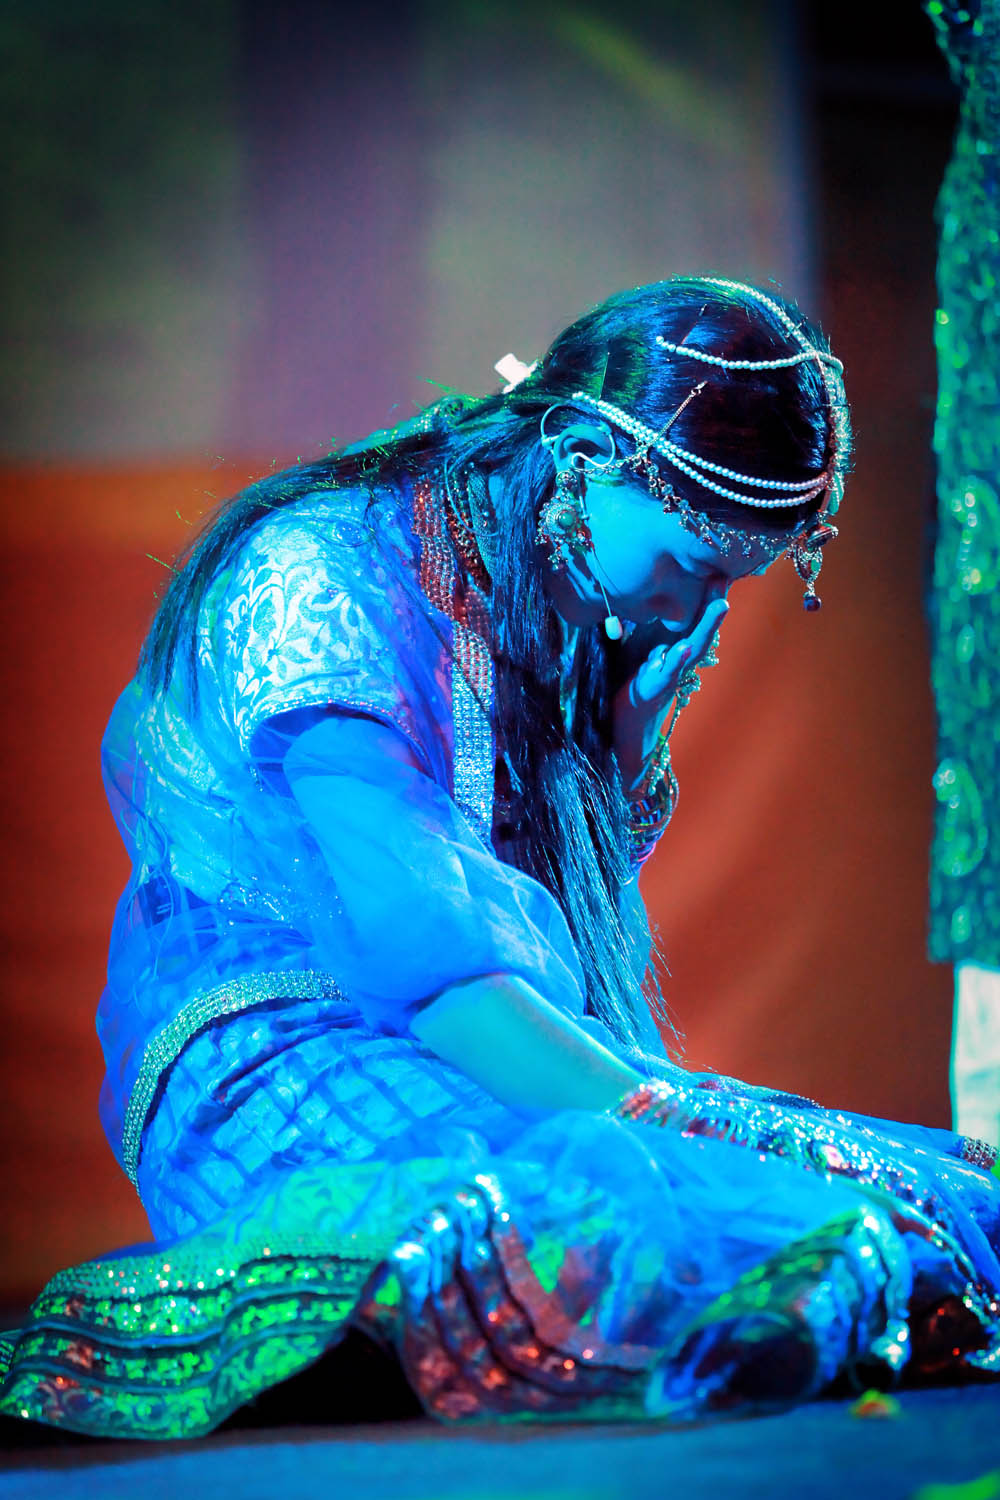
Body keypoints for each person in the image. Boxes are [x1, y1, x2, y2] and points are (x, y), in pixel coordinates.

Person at [2, 276, 998, 1439]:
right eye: (694, 564)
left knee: (940, 1197)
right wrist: (680, 1121)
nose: (689, 619)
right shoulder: (321, 580)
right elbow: (439, 977)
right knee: (623, 1231)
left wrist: (620, 753)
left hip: (474, 1043)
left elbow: (552, 969)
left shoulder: (556, 592)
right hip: (273, 1050)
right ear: (579, 453)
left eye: (729, 588)